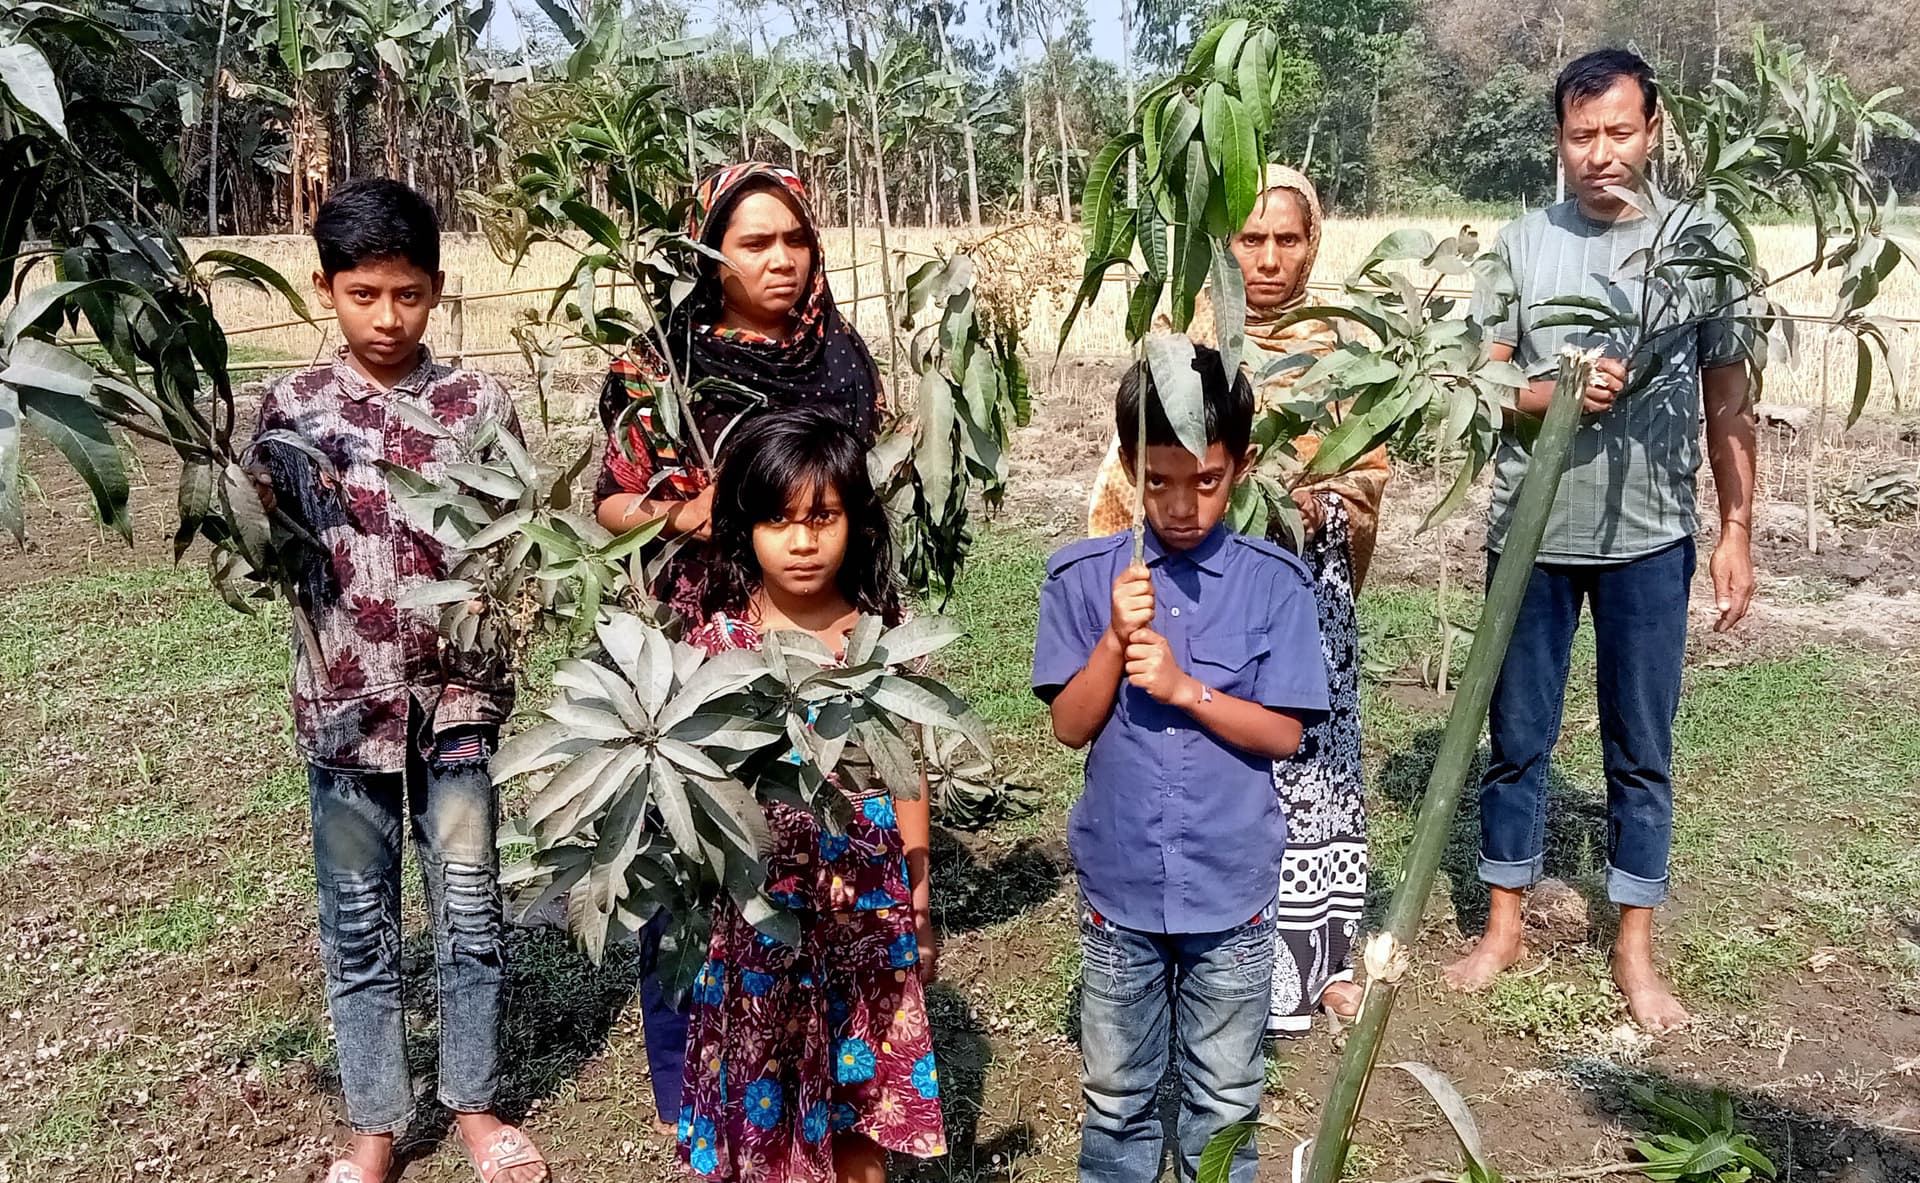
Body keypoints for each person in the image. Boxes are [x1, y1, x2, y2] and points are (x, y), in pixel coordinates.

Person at [1442, 49, 1758, 1035]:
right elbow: (1476, 385)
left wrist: (1738, 526)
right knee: (1517, 738)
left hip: (1650, 535)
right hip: (1530, 535)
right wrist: (1553, 395)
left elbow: (1732, 403)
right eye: (1583, 136)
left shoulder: (1701, 244)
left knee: (1641, 748)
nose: (1601, 152)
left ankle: (1634, 947)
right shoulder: (1522, 244)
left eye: (1619, 131)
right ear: (1559, 142)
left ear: (1653, 131)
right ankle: (1502, 927)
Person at [250, 179, 548, 1183]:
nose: (388, 317)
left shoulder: (477, 403)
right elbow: (260, 545)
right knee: (358, 924)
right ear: (326, 289)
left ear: (438, 290)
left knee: (468, 910)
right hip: (345, 710)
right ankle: (376, 1123)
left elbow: (520, 545)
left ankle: (473, 1105)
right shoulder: (289, 412)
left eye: (409, 294)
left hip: (457, 703)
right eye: (365, 293)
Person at [591, 162, 886, 1134]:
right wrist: (688, 514)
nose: (781, 260)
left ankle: (798, 1072)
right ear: (710, 251)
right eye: (754, 241)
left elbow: (857, 508)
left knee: (802, 858)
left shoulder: (842, 365)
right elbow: (607, 505)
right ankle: (693, 1095)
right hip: (690, 653)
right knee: (686, 869)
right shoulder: (655, 364)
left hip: (815, 646)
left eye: (795, 239)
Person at [1086, 166, 1388, 1036]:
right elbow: (1130, 465)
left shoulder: (1338, 345)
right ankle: (1217, 950)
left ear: (1312, 244)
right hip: (1198, 598)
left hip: (1299, 595)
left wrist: (1327, 497)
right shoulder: (1184, 343)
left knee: (1314, 765)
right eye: (1250, 239)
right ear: (1224, 247)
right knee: (1222, 768)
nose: (1267, 258)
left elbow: (1367, 465)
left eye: (1286, 239)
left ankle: (1323, 956)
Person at [1035, 348, 1329, 1183]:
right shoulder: (1086, 577)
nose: (1181, 504)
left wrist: (1182, 687)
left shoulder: (1276, 584)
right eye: (1158, 481)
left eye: (1205, 481)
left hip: (1231, 886)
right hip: (1120, 886)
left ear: (1241, 465)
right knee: (1118, 1092)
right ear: (1128, 466)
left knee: (1227, 1091)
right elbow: (1069, 724)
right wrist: (1113, 642)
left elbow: (1284, 735)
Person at [675, 409, 944, 1183]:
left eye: (822, 517)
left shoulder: (881, 641)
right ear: (743, 529)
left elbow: (906, 769)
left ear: (855, 523)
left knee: (863, 1108)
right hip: (760, 920)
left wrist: (919, 897)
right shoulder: (714, 650)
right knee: (765, 1108)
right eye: (778, 519)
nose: (801, 540)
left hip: (864, 915)